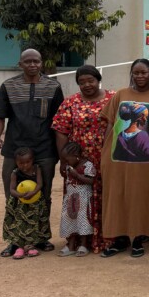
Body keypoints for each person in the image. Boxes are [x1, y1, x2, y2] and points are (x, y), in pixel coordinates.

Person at [0, 48, 63, 257]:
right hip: (14, 149)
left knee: (44, 195)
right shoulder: (8, 86)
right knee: (12, 195)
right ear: (20, 64)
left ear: (41, 63)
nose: (33, 65)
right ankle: (15, 241)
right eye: (28, 61)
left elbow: (59, 121)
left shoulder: (53, 86)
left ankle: (41, 237)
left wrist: (61, 150)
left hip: (45, 148)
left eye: (36, 61)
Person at [100, 59, 149, 258]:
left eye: (144, 72)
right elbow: (110, 124)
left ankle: (138, 239)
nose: (139, 76)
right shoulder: (120, 95)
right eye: (136, 73)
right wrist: (105, 152)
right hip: (117, 159)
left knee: (141, 197)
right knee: (117, 196)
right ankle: (120, 239)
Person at [52, 65, 115, 253]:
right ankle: (78, 239)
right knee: (78, 199)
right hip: (78, 161)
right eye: (82, 82)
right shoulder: (70, 102)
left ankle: (106, 236)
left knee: (105, 196)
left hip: (106, 157)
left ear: (98, 80)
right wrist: (64, 160)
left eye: (91, 80)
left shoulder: (113, 98)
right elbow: (61, 131)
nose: (87, 85)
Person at [2, 147, 51, 260]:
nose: (25, 165)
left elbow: (39, 184)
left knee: (34, 222)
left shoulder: (36, 169)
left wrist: (33, 193)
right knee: (19, 223)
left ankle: (32, 245)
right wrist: (20, 195)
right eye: (21, 163)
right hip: (20, 204)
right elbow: (12, 189)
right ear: (16, 162)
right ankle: (19, 246)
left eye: (27, 162)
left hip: (35, 202)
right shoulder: (15, 173)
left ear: (32, 160)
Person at [57, 142, 95, 258]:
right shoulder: (69, 166)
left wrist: (77, 175)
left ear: (76, 156)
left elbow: (91, 181)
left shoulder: (87, 165)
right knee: (69, 220)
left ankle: (83, 245)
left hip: (83, 200)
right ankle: (71, 245)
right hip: (71, 199)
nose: (65, 162)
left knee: (83, 221)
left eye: (67, 159)